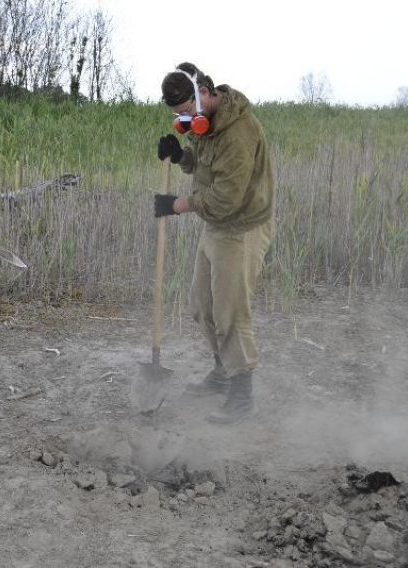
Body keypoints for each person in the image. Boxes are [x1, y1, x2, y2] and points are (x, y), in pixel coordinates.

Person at [155, 63, 275, 424]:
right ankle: (223, 372)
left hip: (240, 228)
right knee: (201, 306)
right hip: (216, 227)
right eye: (178, 116)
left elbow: (226, 196)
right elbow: (205, 167)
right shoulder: (206, 120)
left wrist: (178, 205)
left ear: (203, 93)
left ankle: (242, 394)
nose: (186, 120)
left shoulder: (238, 132)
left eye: (186, 111)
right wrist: (181, 156)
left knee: (230, 313)